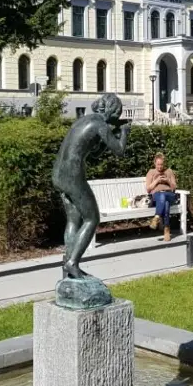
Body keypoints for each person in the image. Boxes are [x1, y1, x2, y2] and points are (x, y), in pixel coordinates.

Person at [52, 93, 130, 279]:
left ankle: (67, 263)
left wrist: (110, 135)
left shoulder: (86, 120)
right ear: (112, 110)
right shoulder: (100, 124)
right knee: (92, 219)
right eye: (118, 112)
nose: (118, 116)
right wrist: (124, 133)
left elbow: (94, 154)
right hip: (73, 175)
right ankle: (73, 262)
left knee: (73, 220)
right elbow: (119, 151)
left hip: (58, 174)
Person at [145, 153, 178, 242]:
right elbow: (148, 189)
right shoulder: (151, 172)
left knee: (164, 197)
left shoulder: (169, 171)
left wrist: (167, 180)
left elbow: (174, 187)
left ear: (164, 164)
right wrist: (156, 181)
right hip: (157, 196)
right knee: (164, 202)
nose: (160, 166)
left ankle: (156, 217)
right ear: (155, 164)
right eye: (158, 164)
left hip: (169, 194)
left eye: (161, 164)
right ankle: (166, 230)